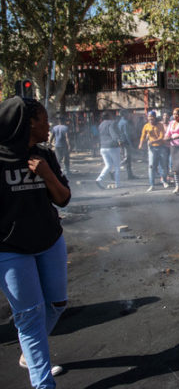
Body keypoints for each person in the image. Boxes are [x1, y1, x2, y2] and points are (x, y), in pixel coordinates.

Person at [0, 97, 70, 388]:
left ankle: (30, 352)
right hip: (10, 249)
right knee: (28, 316)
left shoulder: (45, 154)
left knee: (57, 303)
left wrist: (47, 174)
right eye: (44, 118)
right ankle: (43, 384)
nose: (48, 123)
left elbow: (63, 199)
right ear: (29, 122)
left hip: (50, 240)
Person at [138, 111, 169, 192]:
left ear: (155, 117)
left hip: (161, 147)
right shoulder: (146, 126)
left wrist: (153, 141)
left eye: (152, 117)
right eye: (149, 117)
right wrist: (141, 144)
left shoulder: (160, 125)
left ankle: (164, 181)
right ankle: (152, 185)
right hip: (152, 149)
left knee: (163, 166)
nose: (150, 118)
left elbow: (162, 136)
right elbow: (142, 136)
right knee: (151, 166)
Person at [95, 111, 122, 189]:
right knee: (117, 166)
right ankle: (117, 184)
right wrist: (118, 141)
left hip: (103, 147)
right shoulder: (112, 123)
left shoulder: (101, 125)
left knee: (108, 165)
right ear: (109, 116)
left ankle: (99, 179)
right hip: (112, 147)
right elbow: (113, 133)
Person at [164, 108, 179, 194]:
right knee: (174, 168)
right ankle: (177, 186)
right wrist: (166, 137)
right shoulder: (171, 123)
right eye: (174, 114)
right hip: (173, 147)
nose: (175, 116)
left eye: (177, 114)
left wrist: (171, 137)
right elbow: (167, 133)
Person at [117, 110, 137, 179]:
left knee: (128, 159)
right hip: (125, 142)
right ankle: (113, 169)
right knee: (127, 158)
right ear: (124, 114)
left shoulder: (120, 122)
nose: (129, 115)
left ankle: (130, 175)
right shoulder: (125, 123)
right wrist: (131, 144)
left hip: (122, 142)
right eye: (127, 114)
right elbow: (127, 134)